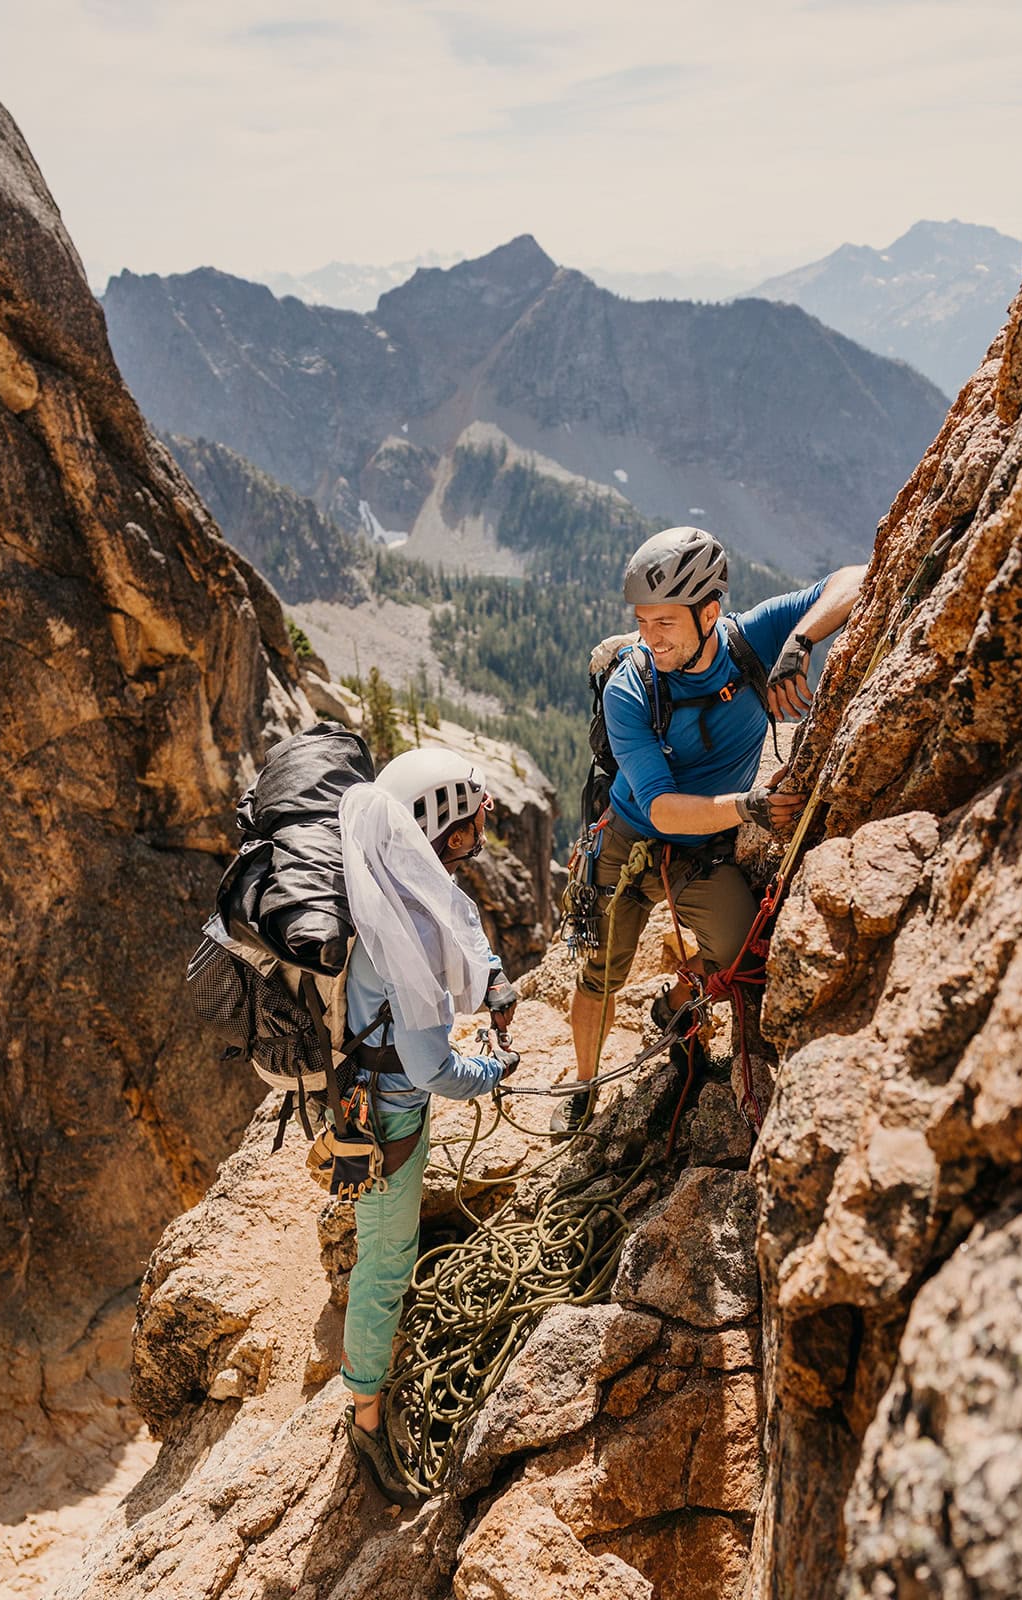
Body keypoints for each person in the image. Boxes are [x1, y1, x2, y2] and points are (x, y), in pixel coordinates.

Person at [555, 525, 865, 1136]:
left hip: (701, 849)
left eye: (664, 622)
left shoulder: (751, 640)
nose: (649, 638)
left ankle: (675, 1004)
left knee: (740, 952)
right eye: (642, 622)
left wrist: (802, 641)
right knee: (597, 975)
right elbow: (665, 808)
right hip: (626, 837)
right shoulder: (630, 687)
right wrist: (749, 806)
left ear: (710, 613)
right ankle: (586, 1087)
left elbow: (856, 576)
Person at [336, 747, 519, 1504]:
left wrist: (492, 980)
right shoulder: (402, 927)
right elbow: (431, 1072)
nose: (480, 827)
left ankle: (366, 1393)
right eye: (471, 816)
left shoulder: (377, 884)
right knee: (385, 1263)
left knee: (381, 1246)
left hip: (363, 1091)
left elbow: (457, 942)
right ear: (441, 823)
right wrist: (493, 1072)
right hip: (390, 1116)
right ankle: (366, 1417)